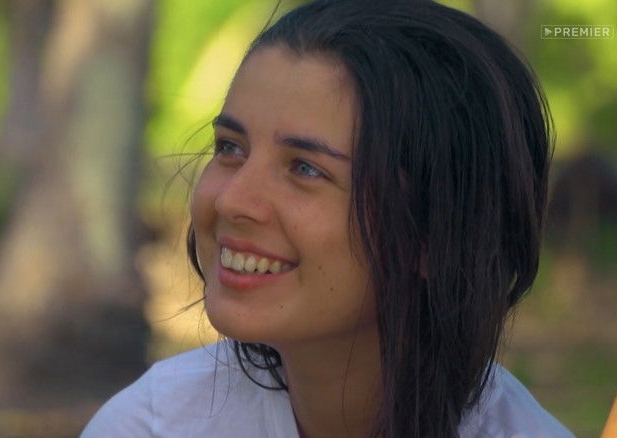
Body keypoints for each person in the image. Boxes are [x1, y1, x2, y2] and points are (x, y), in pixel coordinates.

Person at [82, 0, 574, 436]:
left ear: (433, 234)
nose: (232, 201)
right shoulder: (154, 425)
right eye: (230, 148)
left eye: (305, 168)